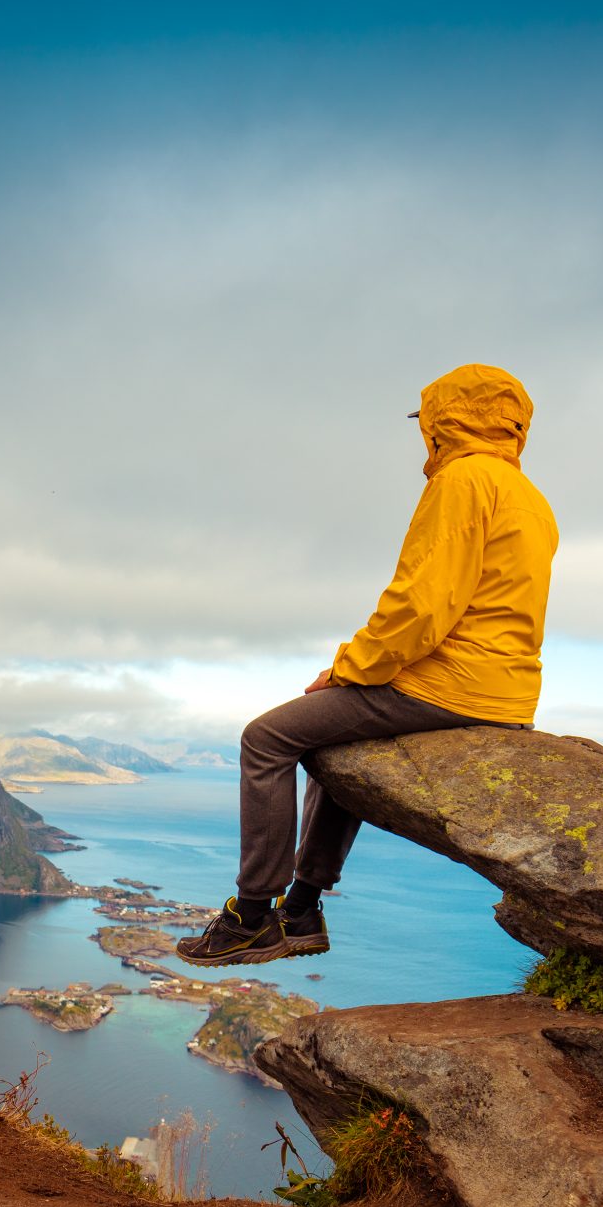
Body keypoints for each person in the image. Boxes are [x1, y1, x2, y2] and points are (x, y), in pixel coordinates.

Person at [176, 363, 558, 967]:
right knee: (338, 744)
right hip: (505, 693)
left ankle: (253, 917)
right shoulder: (531, 499)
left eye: (426, 424)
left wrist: (349, 668)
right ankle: (301, 909)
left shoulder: (462, 481)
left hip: (448, 682)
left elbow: (422, 604)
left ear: (445, 422)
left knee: (267, 738)